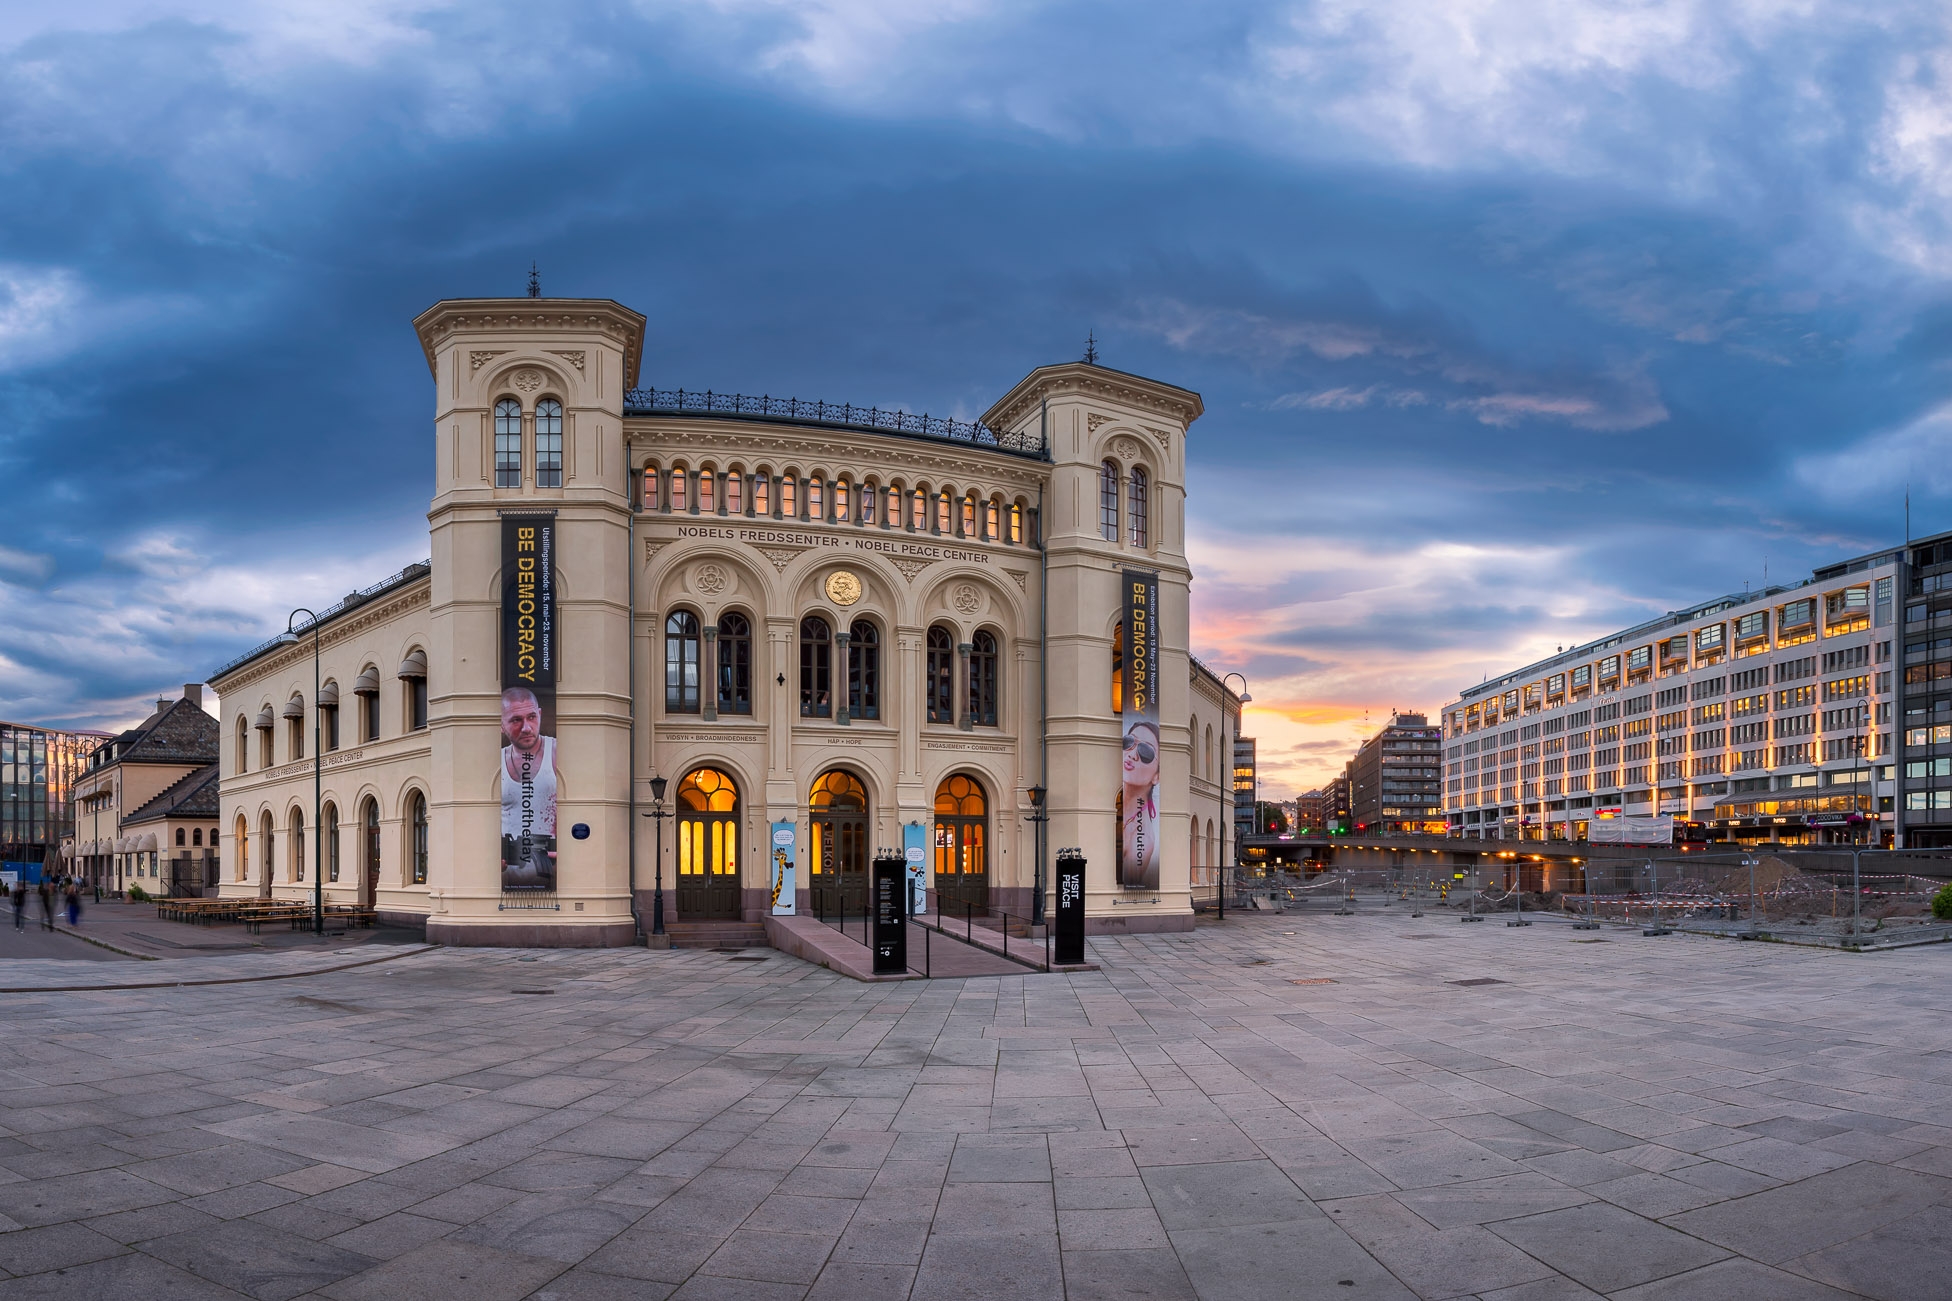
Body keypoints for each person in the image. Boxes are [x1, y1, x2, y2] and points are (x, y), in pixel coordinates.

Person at [500, 686, 559, 889]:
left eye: (532, 717)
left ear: (540, 714)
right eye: (516, 720)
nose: (526, 727)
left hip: (555, 874)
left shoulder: (558, 753)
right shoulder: (495, 763)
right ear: (501, 724)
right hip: (506, 876)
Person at [1119, 719, 1162, 890]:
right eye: (1129, 742)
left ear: (1157, 776)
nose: (1132, 754)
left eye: (1146, 751)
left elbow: (1132, 884)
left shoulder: (1143, 837)